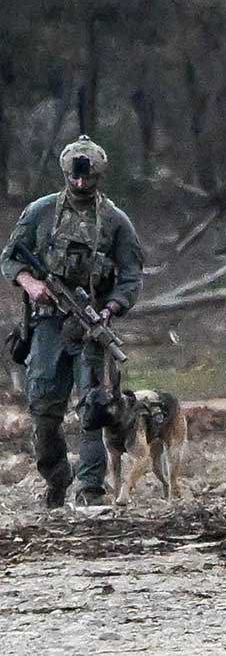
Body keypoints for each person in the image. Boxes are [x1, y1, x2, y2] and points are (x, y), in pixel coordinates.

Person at [1, 135, 144, 508]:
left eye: (88, 178)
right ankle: (57, 476)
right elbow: (10, 257)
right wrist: (31, 284)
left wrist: (110, 309)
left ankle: (91, 488)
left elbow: (131, 277)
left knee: (94, 408)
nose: (81, 185)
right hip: (48, 324)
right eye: (75, 178)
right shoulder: (41, 213)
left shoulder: (115, 222)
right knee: (44, 412)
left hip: (92, 324)